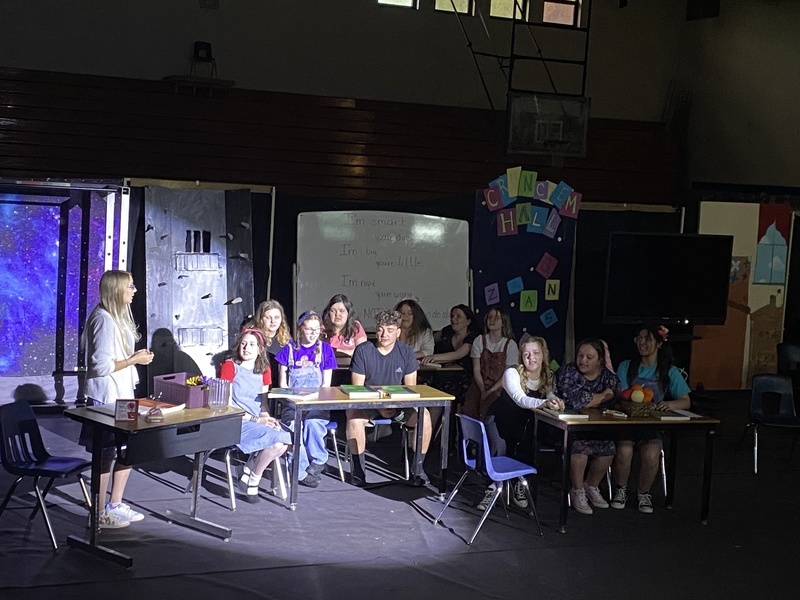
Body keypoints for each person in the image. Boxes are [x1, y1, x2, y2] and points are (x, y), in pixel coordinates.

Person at [81, 270, 154, 529]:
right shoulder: (103, 320)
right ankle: (99, 511)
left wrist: (134, 358)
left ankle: (115, 504)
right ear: (116, 290)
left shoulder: (118, 317)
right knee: (105, 454)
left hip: (123, 398)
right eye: (130, 286)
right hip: (107, 400)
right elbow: (100, 366)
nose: (134, 290)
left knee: (126, 451)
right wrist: (134, 360)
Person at [472, 336, 564, 511]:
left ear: (543, 355)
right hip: (499, 419)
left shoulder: (548, 375)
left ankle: (518, 484)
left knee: (528, 445)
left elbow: (549, 392)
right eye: (526, 354)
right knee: (499, 449)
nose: (531, 358)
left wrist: (554, 400)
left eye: (536, 353)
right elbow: (521, 400)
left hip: (522, 422)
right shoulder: (512, 373)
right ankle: (492, 488)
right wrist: (544, 403)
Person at [611, 325, 691, 514]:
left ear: (659, 343)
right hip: (627, 424)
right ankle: (621, 490)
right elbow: (621, 395)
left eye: (647, 338)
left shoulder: (668, 371)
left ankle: (643, 493)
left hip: (652, 426)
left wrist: (668, 404)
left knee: (652, 453)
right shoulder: (626, 366)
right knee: (624, 450)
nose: (641, 342)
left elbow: (686, 401)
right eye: (638, 338)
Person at [346, 309, 430, 487]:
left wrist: (394, 405)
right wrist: (379, 405)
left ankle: (418, 468)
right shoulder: (363, 350)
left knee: (425, 417)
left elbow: (410, 389)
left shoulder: (406, 352)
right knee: (353, 417)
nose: (384, 334)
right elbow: (358, 389)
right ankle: (358, 470)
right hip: (369, 404)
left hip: (398, 404)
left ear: (398, 332)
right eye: (380, 329)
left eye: (390, 330)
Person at [219, 328, 291, 503]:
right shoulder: (230, 366)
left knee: (287, 439)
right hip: (237, 420)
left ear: (260, 349)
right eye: (243, 344)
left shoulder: (264, 369)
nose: (246, 348)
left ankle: (248, 472)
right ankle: (253, 480)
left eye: (252, 344)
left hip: (257, 420)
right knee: (277, 442)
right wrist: (257, 420)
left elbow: (263, 404)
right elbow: (227, 406)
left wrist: (268, 418)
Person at [557, 338, 619, 515]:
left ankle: (591, 486)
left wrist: (594, 398)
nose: (583, 360)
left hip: (595, 426)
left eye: (589, 357)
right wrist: (602, 396)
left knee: (608, 447)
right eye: (580, 355)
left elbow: (615, 394)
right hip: (567, 426)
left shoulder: (607, 376)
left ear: (600, 360)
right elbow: (575, 401)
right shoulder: (569, 371)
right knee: (579, 447)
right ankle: (576, 490)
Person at [275, 311, 337, 488]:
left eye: (316, 329)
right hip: (292, 404)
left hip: (316, 403)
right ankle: (300, 472)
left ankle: (318, 460)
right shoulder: (289, 349)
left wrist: (311, 406)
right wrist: (296, 404)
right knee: (294, 428)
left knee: (313, 424)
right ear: (300, 329)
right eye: (309, 329)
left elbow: (325, 385)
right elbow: (283, 385)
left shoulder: (325, 349)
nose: (313, 333)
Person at [462, 305, 518, 423]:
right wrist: (482, 389)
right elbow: (476, 370)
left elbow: (507, 374)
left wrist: (491, 390)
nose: (492, 320)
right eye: (490, 317)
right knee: (470, 407)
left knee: (488, 408)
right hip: (480, 383)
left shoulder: (510, 344)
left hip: (499, 385)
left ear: (503, 322)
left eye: (496, 318)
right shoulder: (479, 340)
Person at [419, 303, 478, 400]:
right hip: (441, 371)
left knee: (445, 386)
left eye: (458, 316)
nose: (453, 319)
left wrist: (433, 357)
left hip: (463, 375)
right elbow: (431, 339)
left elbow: (458, 354)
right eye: (452, 316)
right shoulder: (447, 330)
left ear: (468, 321)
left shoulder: (473, 336)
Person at [250, 299, 291, 383]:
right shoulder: (252, 338)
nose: (273, 321)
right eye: (268, 317)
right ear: (260, 319)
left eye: (276, 317)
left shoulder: (287, 341)